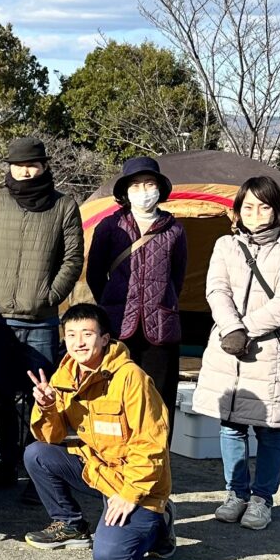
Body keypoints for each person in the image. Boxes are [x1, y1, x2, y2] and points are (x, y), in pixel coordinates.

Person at [191, 176, 280, 531]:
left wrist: (248, 329)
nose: (256, 213)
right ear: (237, 211)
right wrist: (232, 329)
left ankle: (262, 498)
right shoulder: (225, 245)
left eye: (264, 206)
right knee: (230, 426)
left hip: (270, 348)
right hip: (228, 345)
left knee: (270, 429)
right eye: (248, 206)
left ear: (277, 211)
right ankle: (235, 493)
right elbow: (216, 289)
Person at [23, 303, 176, 560]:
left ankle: (161, 523)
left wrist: (130, 494)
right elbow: (52, 436)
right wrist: (47, 406)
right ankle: (70, 524)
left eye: (87, 334)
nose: (78, 343)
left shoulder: (131, 378)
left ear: (105, 339)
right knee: (37, 453)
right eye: (71, 334)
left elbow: (151, 445)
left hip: (136, 483)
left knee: (111, 558)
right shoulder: (64, 376)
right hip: (97, 470)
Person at [0, 135, 84, 483]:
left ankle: (42, 467)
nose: (25, 171)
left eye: (31, 164)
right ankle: (6, 462)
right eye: (18, 165)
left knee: (45, 397)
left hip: (42, 320)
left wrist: (51, 296)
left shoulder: (64, 205)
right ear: (10, 167)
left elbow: (73, 257)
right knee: (2, 396)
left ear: (44, 166)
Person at [84, 156, 188, 430]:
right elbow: (95, 274)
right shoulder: (109, 226)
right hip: (118, 325)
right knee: (117, 393)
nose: (144, 191)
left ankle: (158, 462)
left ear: (160, 189)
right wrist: (112, 302)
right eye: (136, 185)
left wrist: (161, 303)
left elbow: (177, 277)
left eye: (149, 184)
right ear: (125, 192)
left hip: (161, 329)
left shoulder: (174, 229)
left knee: (159, 397)